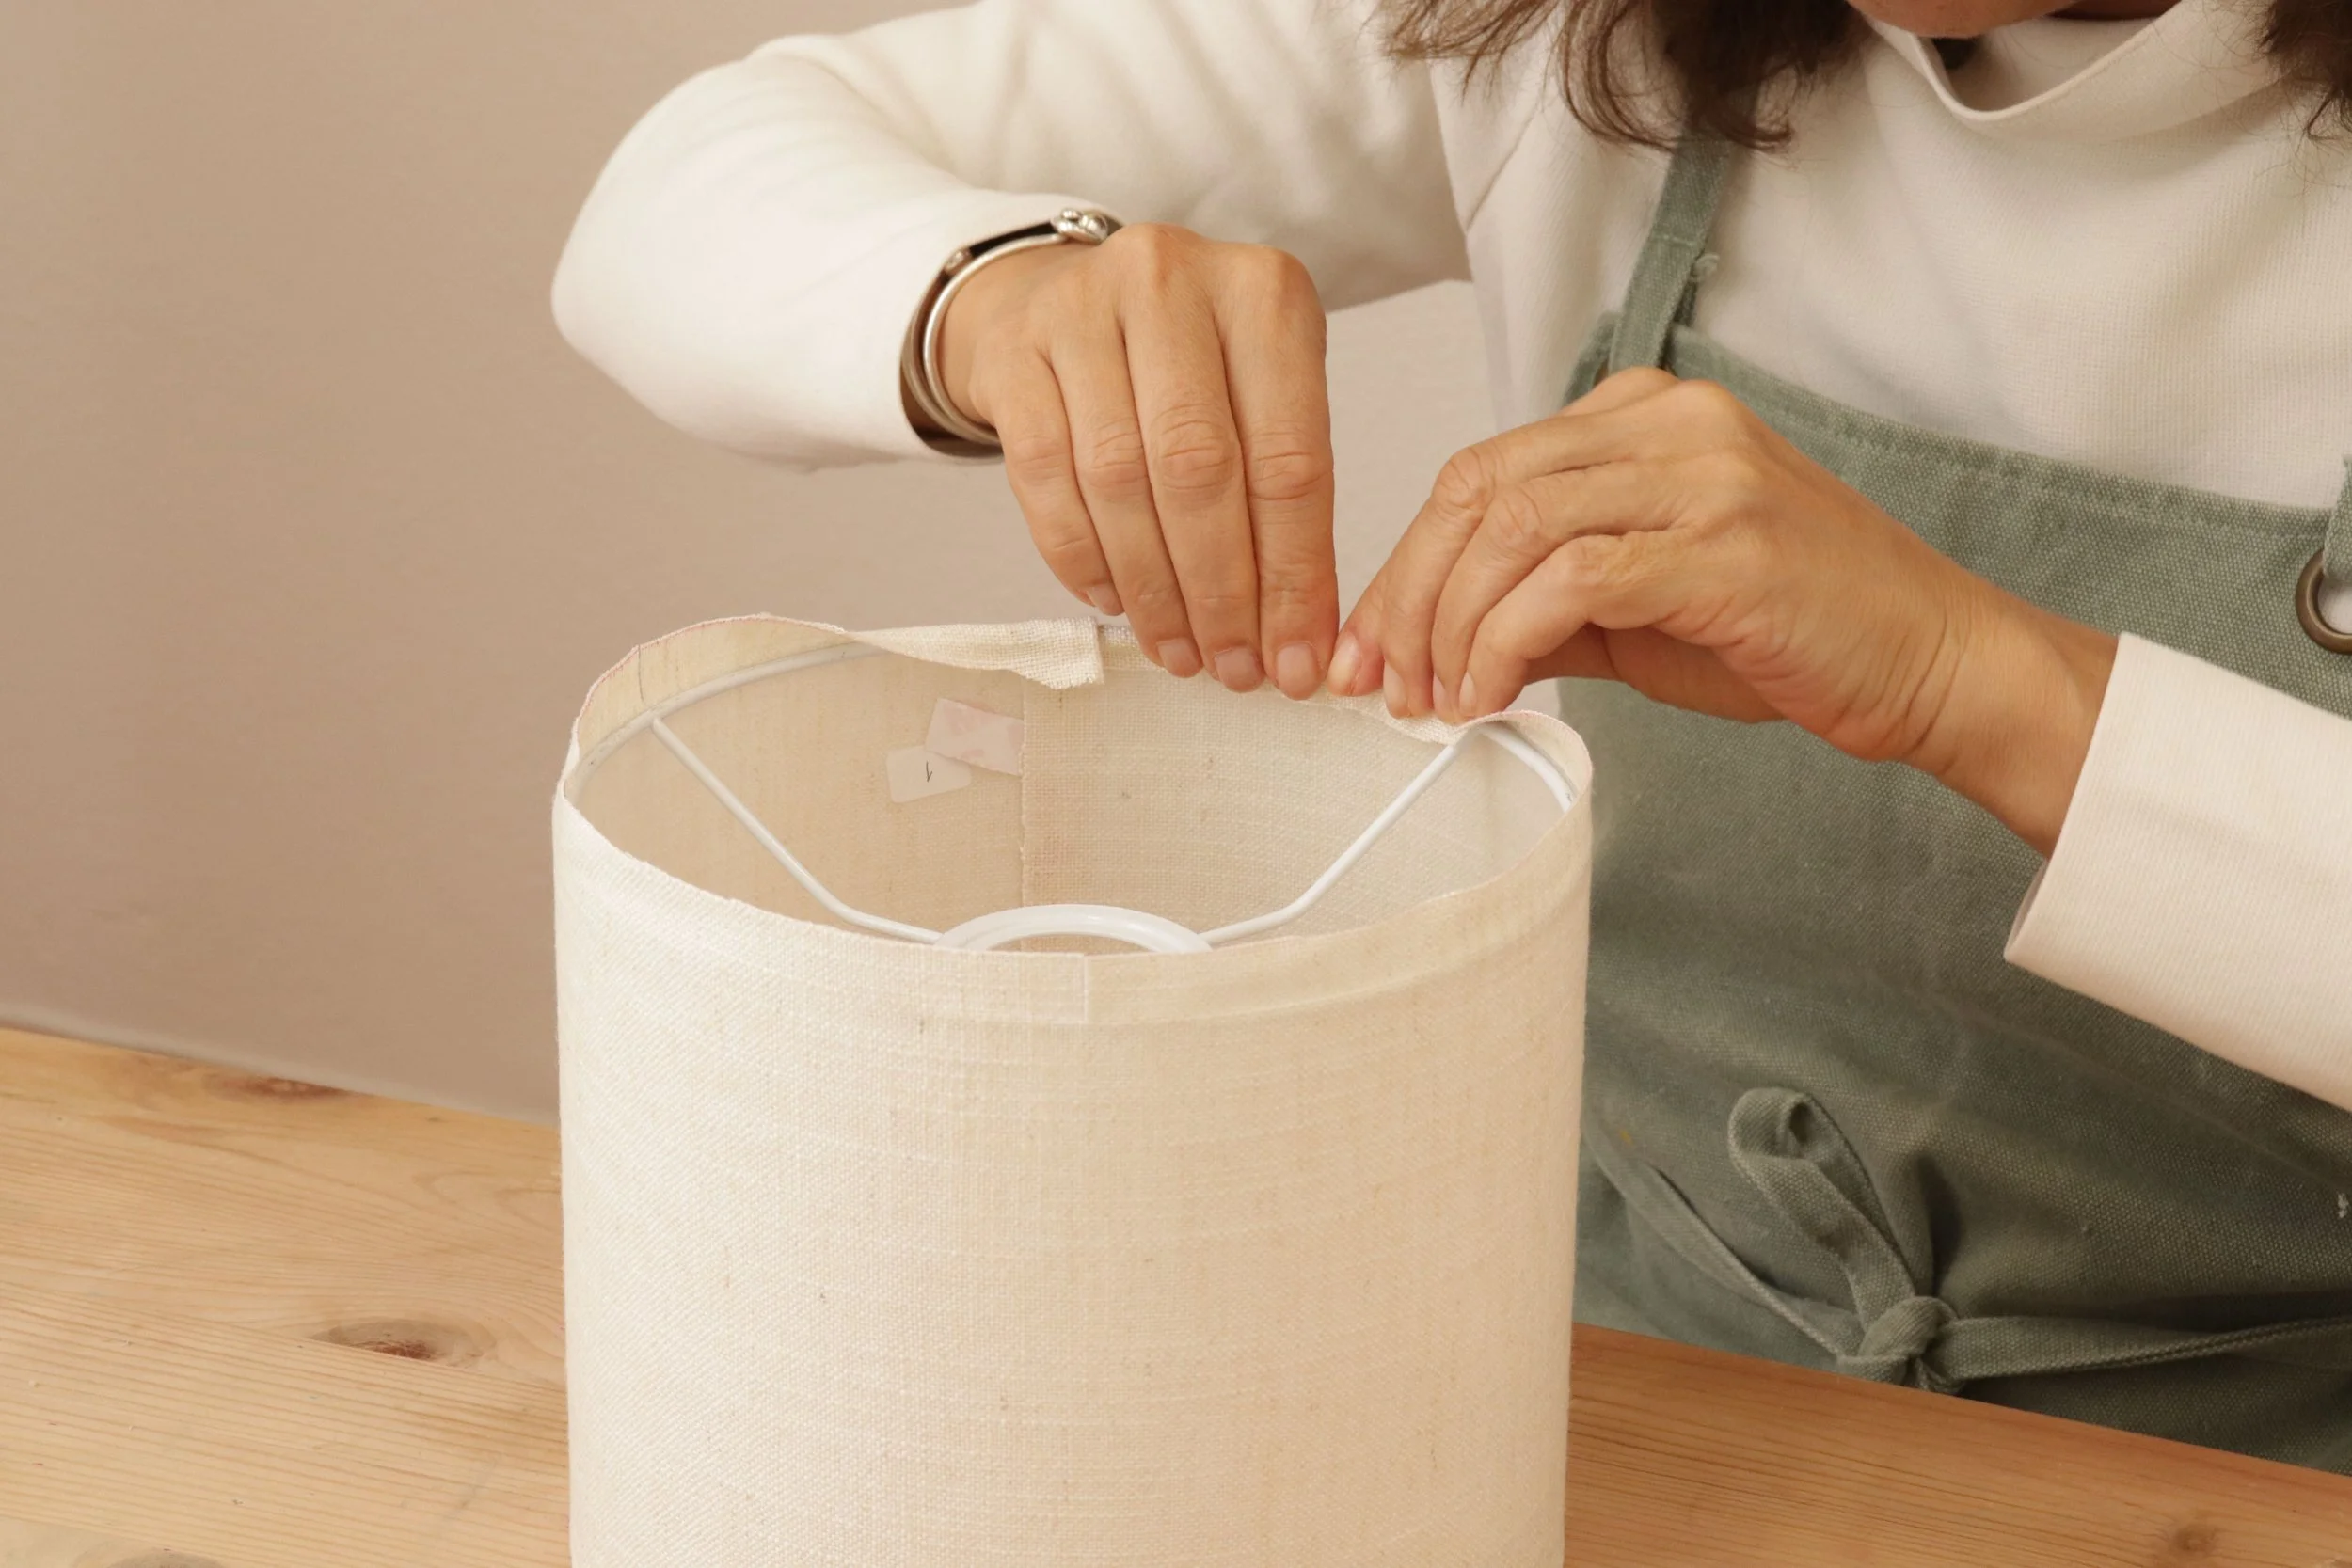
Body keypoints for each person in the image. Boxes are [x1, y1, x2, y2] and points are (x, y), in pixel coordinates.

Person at [552, 0, 2352, 1468]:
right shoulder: (1571, 35)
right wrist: (1001, 291)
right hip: (1599, 1397)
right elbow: (673, 196)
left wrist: (1980, 677)